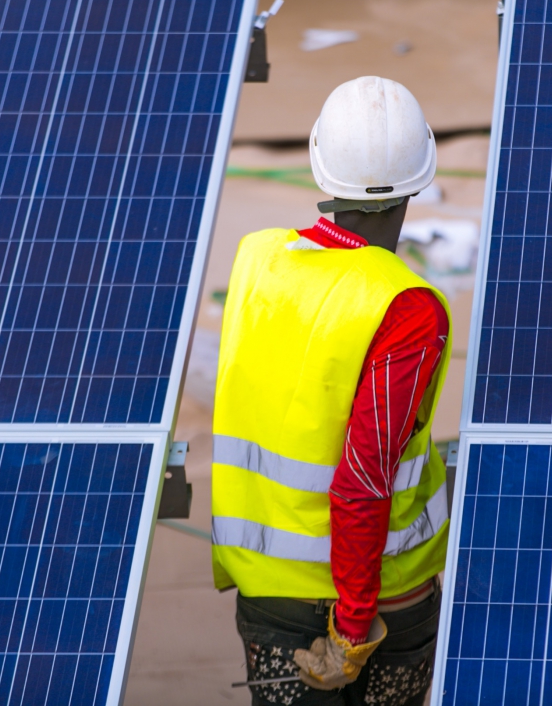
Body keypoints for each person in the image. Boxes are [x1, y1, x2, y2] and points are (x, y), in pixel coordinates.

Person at [211, 76, 451, 706]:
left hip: (268, 587)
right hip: (379, 599)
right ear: (420, 176)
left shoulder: (255, 259)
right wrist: (351, 623)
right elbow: (364, 478)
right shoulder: (405, 307)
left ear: (323, 168)